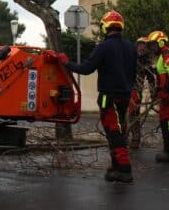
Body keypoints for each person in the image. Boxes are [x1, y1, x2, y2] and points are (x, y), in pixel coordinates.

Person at [58, 10, 137, 183]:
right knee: (119, 130)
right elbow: (134, 73)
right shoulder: (131, 47)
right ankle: (116, 166)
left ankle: (124, 169)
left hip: (109, 98)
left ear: (105, 27)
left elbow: (86, 69)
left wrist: (66, 62)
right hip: (125, 96)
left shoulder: (103, 47)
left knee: (114, 133)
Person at [146, 30, 169, 162]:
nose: (152, 48)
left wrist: (165, 92)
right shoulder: (162, 56)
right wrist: (158, 92)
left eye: (154, 45)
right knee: (165, 122)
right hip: (166, 96)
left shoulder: (167, 56)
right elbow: (163, 78)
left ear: (161, 43)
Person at [128, 36, 157, 149]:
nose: (142, 47)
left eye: (144, 45)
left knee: (133, 115)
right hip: (124, 90)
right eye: (140, 44)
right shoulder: (130, 57)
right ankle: (123, 137)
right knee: (121, 115)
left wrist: (153, 95)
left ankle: (135, 139)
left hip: (135, 91)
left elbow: (151, 81)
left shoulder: (146, 63)